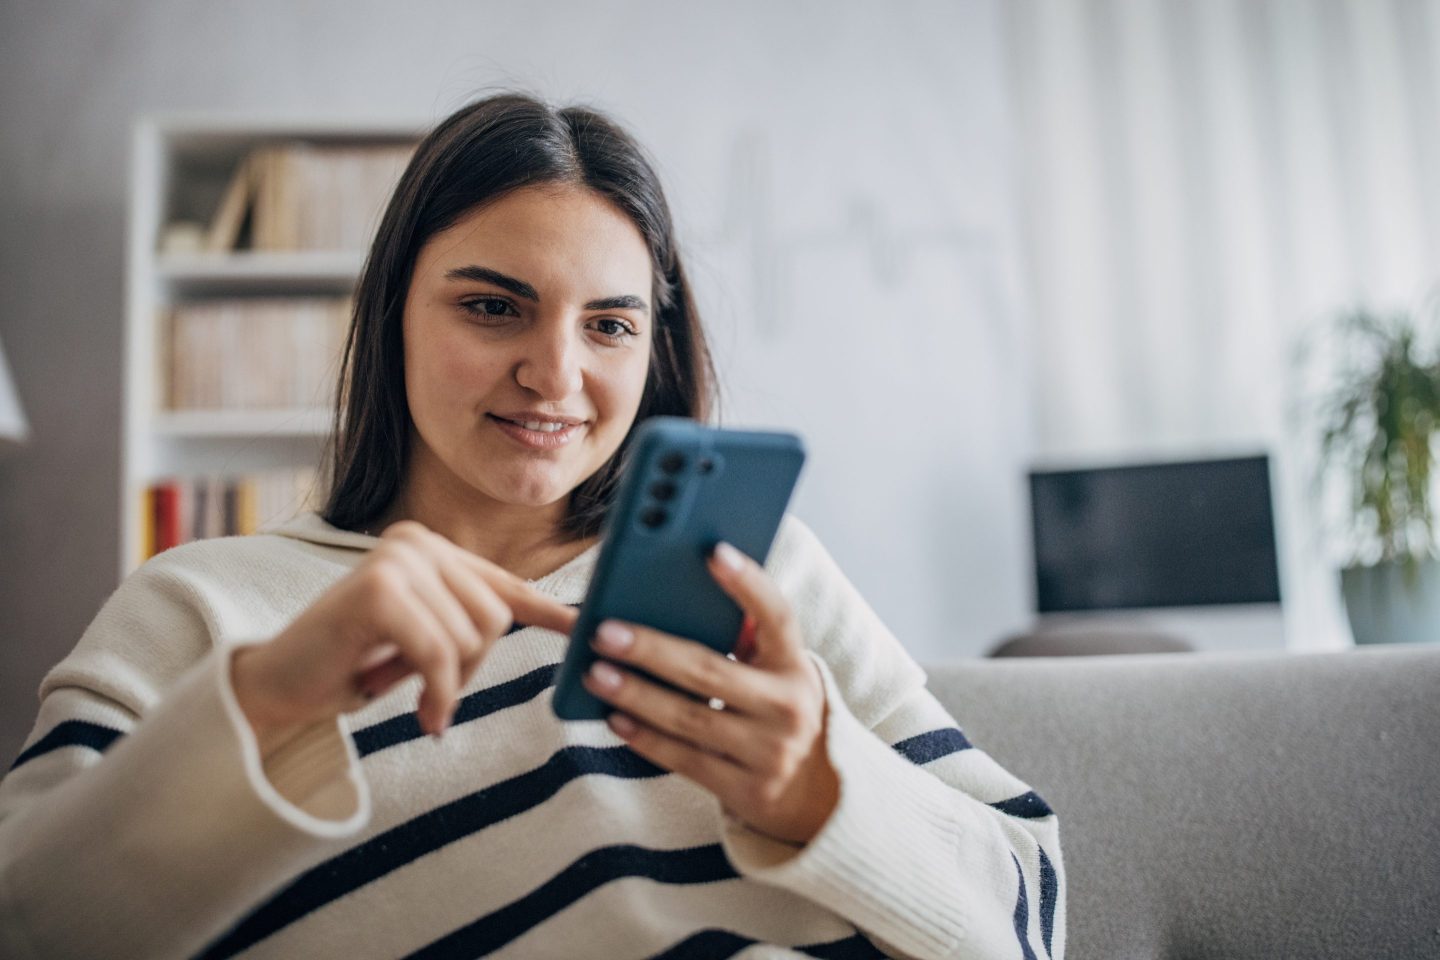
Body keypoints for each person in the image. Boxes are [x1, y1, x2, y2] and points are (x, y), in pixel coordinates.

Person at [0, 93, 1065, 960]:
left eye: (610, 325)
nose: (556, 375)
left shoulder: (759, 573)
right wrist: (271, 698)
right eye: (494, 306)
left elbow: (1031, 911)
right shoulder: (196, 605)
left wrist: (822, 790)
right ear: (392, 317)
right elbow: (33, 929)